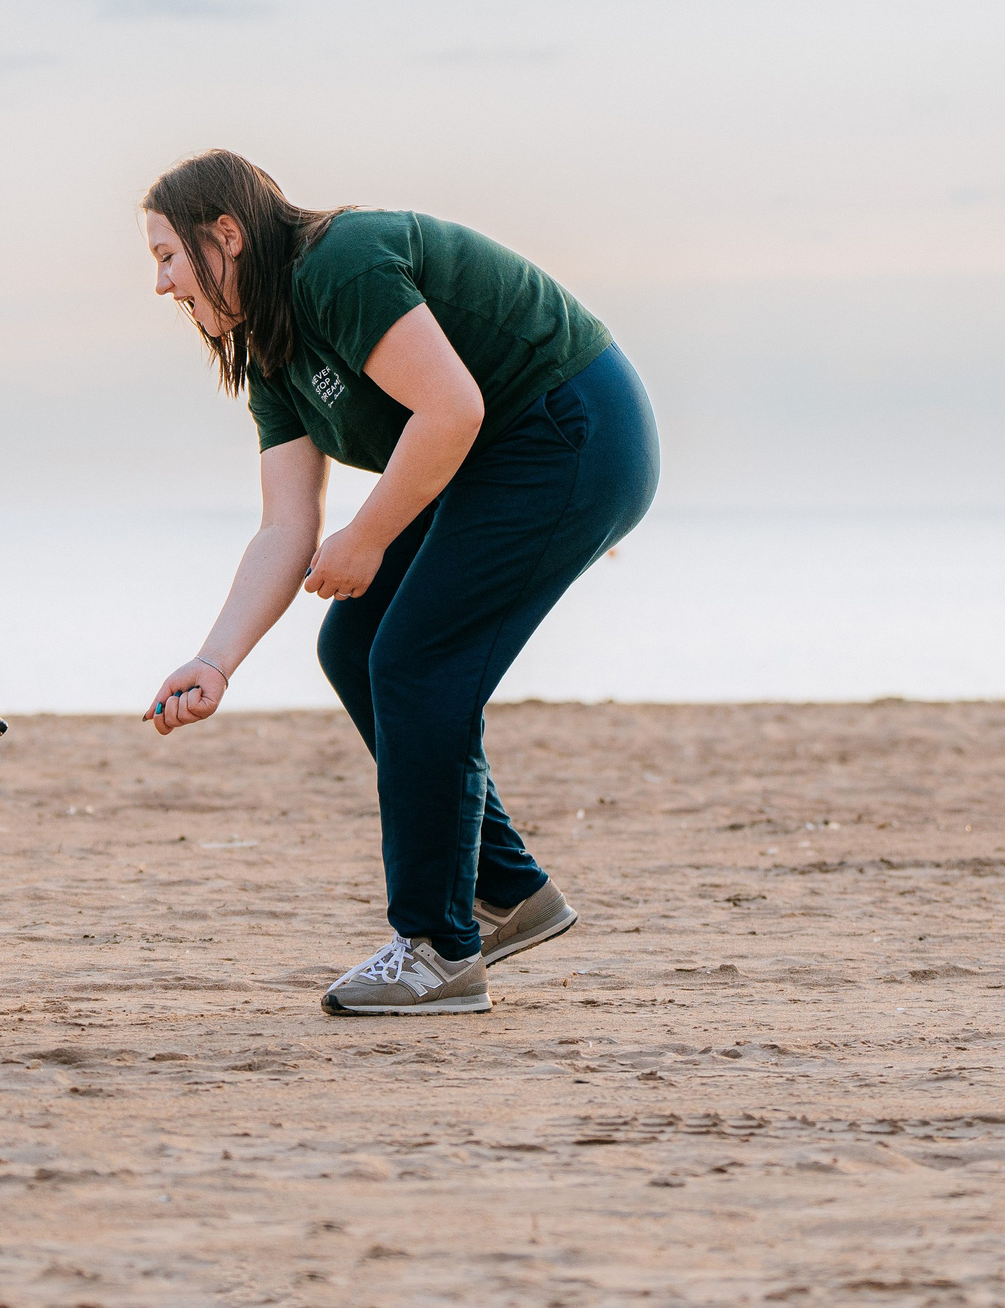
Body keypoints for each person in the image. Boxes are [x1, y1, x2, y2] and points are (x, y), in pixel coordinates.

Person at [140, 149, 658, 1016]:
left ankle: (438, 949)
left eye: (167, 256)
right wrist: (216, 661)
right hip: (497, 459)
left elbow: (452, 407)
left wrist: (369, 537)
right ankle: (507, 891)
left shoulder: (338, 264)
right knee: (355, 644)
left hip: (572, 429)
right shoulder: (271, 348)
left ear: (225, 234)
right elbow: (286, 528)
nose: (161, 283)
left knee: (417, 662)